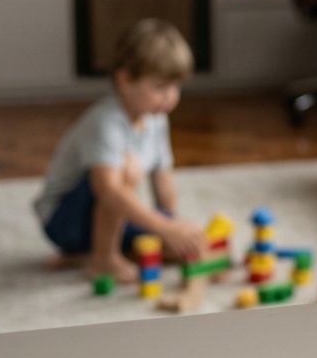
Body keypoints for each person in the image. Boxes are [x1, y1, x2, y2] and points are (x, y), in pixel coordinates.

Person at [33, 19, 208, 281]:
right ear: (125, 80)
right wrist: (165, 227)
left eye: (176, 87)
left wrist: (172, 227)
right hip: (65, 223)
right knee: (128, 168)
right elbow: (108, 190)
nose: (170, 97)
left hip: (107, 218)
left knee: (183, 246)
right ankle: (103, 260)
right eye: (160, 87)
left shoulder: (156, 119)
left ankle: (91, 253)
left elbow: (164, 182)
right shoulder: (106, 122)